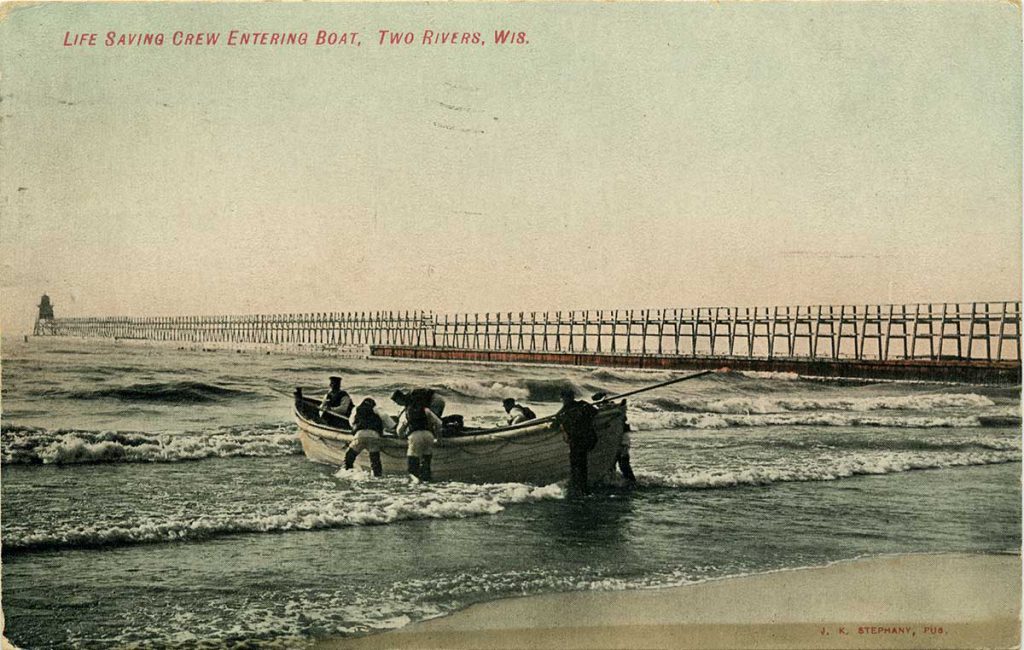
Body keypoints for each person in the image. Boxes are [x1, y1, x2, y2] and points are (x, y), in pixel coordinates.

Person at [551, 388, 598, 495]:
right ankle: (582, 487)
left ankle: (579, 488)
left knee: (576, 465)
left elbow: (554, 425)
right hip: (588, 439)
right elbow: (595, 412)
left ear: (562, 399)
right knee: (581, 464)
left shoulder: (562, 413)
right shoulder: (582, 405)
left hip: (578, 441)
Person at [344, 398, 395, 477]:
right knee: (375, 460)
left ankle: (348, 471)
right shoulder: (377, 410)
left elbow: (351, 423)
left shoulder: (357, 409)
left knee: (349, 456)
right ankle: (377, 476)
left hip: (360, 435)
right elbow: (390, 424)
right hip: (374, 436)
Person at [593, 392, 636, 485]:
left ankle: (631, 482)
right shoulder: (608, 410)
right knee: (612, 465)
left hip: (622, 440)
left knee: (623, 463)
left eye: (599, 403)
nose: (599, 405)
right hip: (614, 441)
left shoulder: (613, 409)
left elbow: (621, 420)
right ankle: (615, 481)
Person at [397, 402, 443, 481]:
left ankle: (416, 484)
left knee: (413, 466)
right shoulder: (426, 410)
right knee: (426, 462)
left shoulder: (407, 411)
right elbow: (438, 424)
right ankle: (426, 481)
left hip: (415, 436)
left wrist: (402, 436)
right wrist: (439, 438)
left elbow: (399, 430)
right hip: (428, 436)